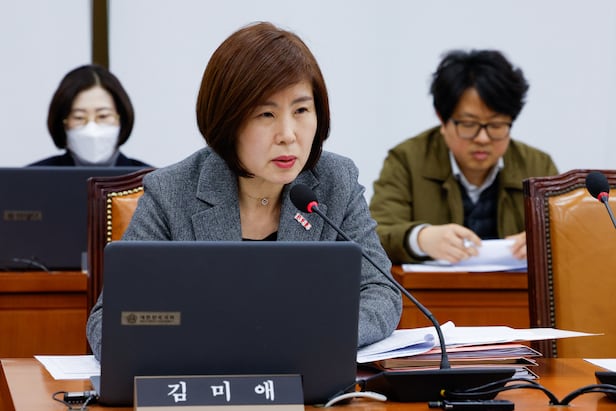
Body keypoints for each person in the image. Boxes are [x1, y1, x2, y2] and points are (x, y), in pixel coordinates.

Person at [86, 22, 402, 360]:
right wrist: (200, 346)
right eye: (266, 114)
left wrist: (315, 337)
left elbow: (380, 291)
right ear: (227, 121)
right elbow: (108, 322)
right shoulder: (172, 192)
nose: (288, 135)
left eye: (301, 110)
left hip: (306, 376)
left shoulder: (335, 181)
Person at [369, 49, 558, 265]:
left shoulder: (537, 166)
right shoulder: (407, 160)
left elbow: (569, 233)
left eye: (496, 125)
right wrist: (419, 238)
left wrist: (546, 239)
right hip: (434, 287)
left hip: (514, 287)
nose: (483, 138)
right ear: (442, 119)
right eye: (469, 124)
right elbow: (376, 234)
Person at [29, 64, 151, 166]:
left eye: (103, 116)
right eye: (79, 117)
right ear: (63, 123)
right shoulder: (32, 179)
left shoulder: (150, 181)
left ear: (121, 118)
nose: (92, 129)